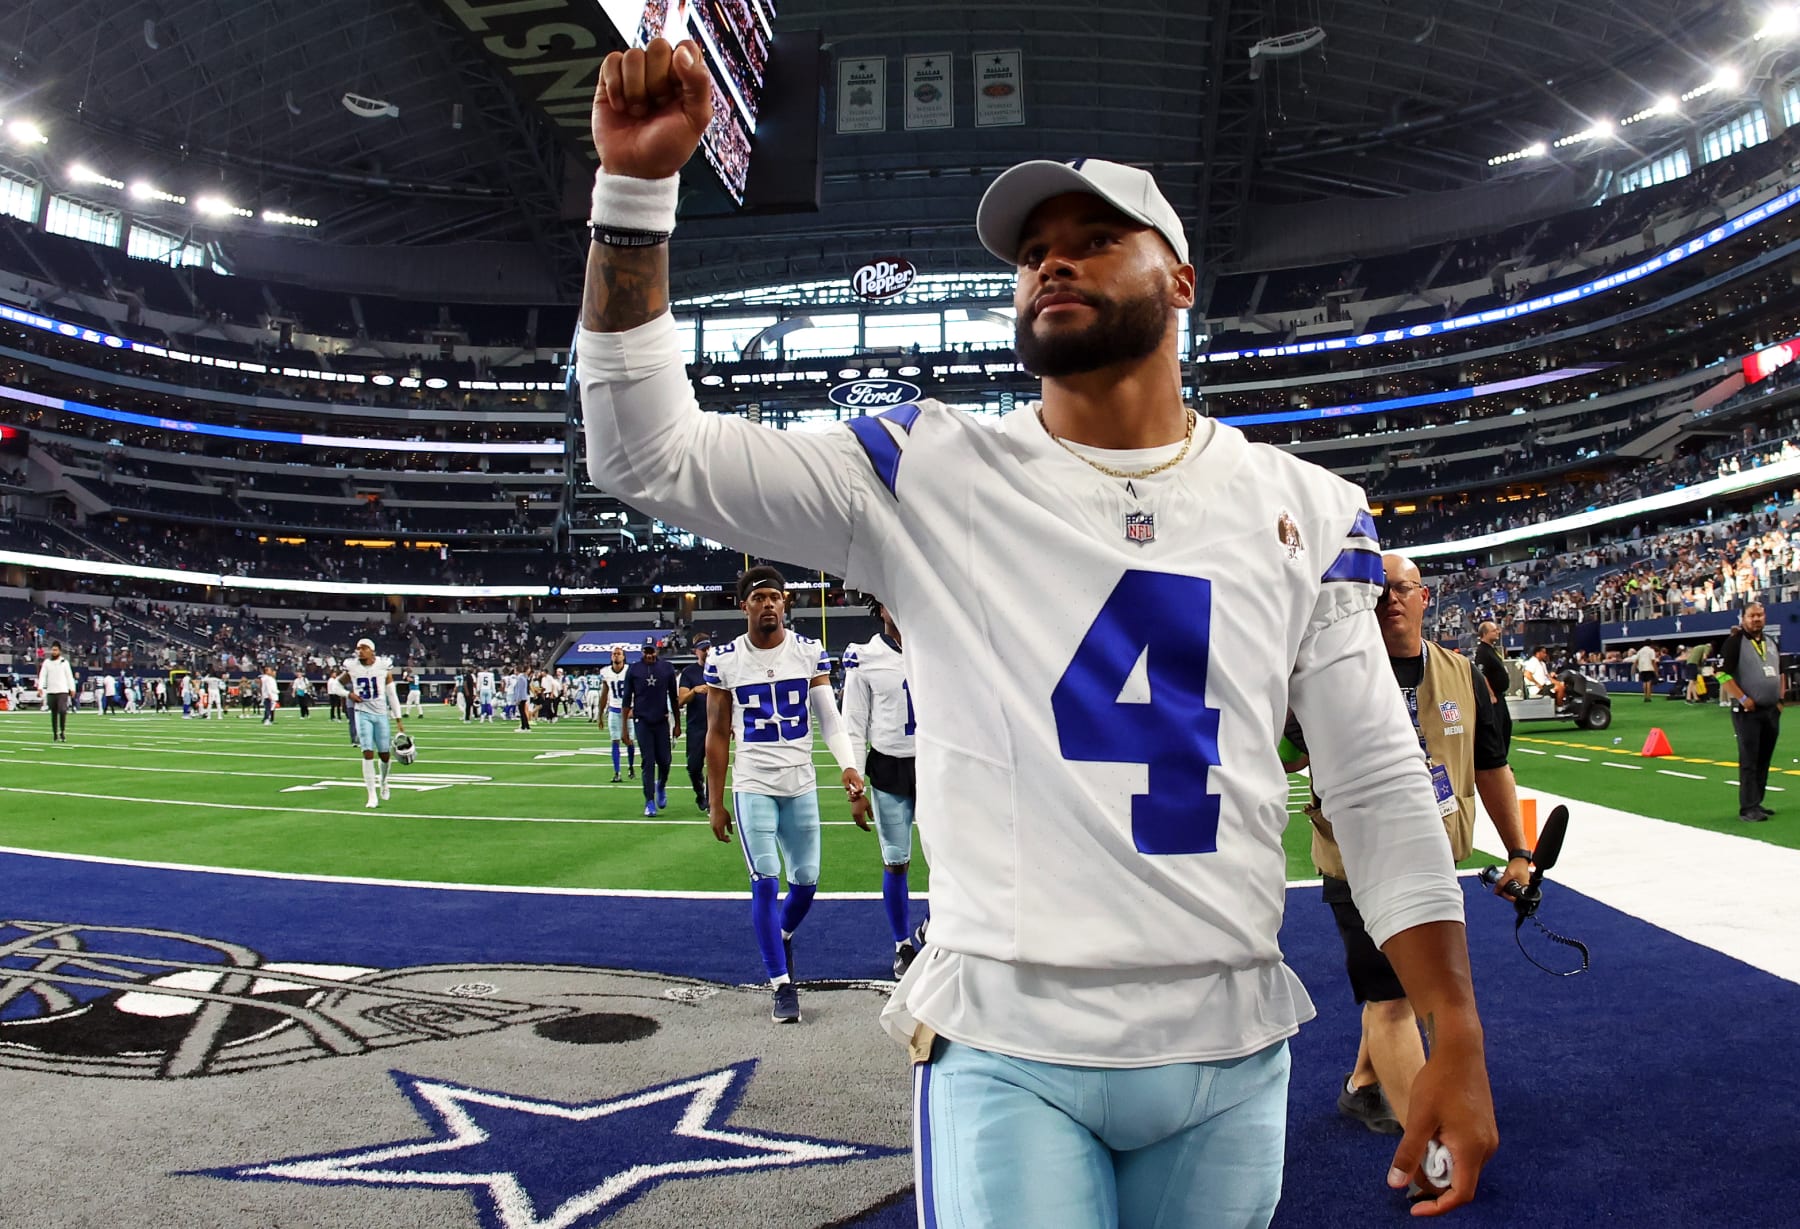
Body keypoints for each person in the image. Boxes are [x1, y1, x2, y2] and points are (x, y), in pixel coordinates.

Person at [580, 44, 1495, 1223]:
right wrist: (635, 198)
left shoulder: (1306, 506)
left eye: (1094, 236)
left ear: (1180, 280)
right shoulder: (928, 467)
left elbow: (1373, 782)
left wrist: (1454, 1023)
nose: (1050, 259)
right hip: (1011, 1038)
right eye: (1029, 251)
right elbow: (645, 453)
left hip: (1231, 1034)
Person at [1289, 555, 1532, 1145]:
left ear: (1425, 597)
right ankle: (1427, 1141)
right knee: (1393, 999)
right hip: (1357, 856)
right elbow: (1285, 754)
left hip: (1434, 857)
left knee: (1405, 989)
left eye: (1402, 589)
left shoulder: (1463, 674)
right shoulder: (1329, 674)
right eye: (1379, 590)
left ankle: (1361, 1083)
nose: (1390, 599)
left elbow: (1493, 766)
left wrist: (1520, 852)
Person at [704, 568, 865, 1021]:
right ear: (745, 606)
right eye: (759, 598)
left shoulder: (807, 652)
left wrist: (849, 765)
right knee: (766, 880)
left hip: (800, 781)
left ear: (785, 602)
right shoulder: (725, 660)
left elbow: (829, 718)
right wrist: (715, 801)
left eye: (775, 596)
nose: (769, 604)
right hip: (754, 782)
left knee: (807, 881)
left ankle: (782, 935)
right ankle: (780, 984)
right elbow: (716, 734)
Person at [841, 596, 924, 978]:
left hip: (933, 763)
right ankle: (902, 944)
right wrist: (854, 783)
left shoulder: (934, 648)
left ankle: (937, 926)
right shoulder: (865, 656)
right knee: (896, 860)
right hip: (889, 766)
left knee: (950, 854)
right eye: (889, 600)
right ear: (879, 608)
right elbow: (854, 724)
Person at [1720, 602, 1784, 823]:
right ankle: (1748, 807)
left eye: (1760, 615)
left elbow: (1780, 672)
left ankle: (1757, 801)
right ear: (1743, 618)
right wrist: (1743, 698)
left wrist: (1781, 699)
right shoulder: (1734, 642)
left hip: (1770, 710)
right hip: (1747, 712)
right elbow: (1721, 675)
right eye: (1752, 616)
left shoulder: (1771, 642)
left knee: (1764, 758)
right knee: (1749, 759)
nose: (1756, 619)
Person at [339, 637, 406, 809]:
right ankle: (371, 795)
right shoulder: (352, 667)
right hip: (362, 713)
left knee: (384, 754)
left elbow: (392, 694)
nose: (359, 651)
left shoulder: (383, 667)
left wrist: (398, 719)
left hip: (381, 714)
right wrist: (348, 695)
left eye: (363, 648)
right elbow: (335, 684)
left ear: (371, 650)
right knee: (367, 752)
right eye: (357, 648)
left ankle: (383, 781)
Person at [623, 637, 680, 815]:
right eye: (646, 651)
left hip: (662, 720)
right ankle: (649, 801)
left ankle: (661, 785)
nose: (649, 654)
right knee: (648, 761)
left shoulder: (666, 668)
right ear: (642, 651)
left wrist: (677, 723)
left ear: (657, 650)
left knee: (665, 760)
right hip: (642, 720)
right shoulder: (634, 669)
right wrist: (625, 729)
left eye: (651, 651)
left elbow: (674, 697)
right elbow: (626, 700)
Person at [676, 634, 714, 811]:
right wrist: (694, 691)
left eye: (709, 648)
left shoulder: (718, 669)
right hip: (696, 726)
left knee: (713, 765)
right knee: (693, 766)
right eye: (703, 649)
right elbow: (681, 700)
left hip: (714, 725)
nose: (707, 652)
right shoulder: (689, 672)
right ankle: (700, 793)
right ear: (696, 652)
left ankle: (710, 800)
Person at [1471, 621, 1511, 754]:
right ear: (1485, 634)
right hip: (1494, 697)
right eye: (1494, 630)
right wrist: (1490, 694)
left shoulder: (1491, 649)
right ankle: (1498, 758)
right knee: (1498, 728)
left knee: (1506, 726)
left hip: (1500, 695)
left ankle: (1503, 757)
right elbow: (1482, 675)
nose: (1497, 632)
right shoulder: (1482, 651)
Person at [599, 646, 636, 781]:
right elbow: (604, 694)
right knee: (615, 740)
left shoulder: (630, 670)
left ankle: (631, 766)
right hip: (614, 709)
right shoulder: (605, 672)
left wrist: (635, 708)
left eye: (618, 654)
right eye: (614, 654)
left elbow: (637, 691)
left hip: (628, 709)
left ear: (623, 657)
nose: (616, 656)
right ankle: (617, 772)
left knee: (629, 741)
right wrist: (600, 715)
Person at [38, 641, 74, 743]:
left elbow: (69, 676)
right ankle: (55, 733)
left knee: (62, 710)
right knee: (53, 713)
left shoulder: (64, 662)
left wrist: (72, 688)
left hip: (62, 690)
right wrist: (40, 687)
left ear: (59, 651)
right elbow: (42, 675)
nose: (54, 652)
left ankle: (62, 731)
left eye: (56, 650)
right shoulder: (47, 662)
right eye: (53, 650)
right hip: (51, 691)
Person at [509, 665, 532, 732]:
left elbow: (519, 689)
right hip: (523, 696)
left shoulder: (520, 677)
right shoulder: (523, 677)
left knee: (522, 713)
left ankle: (525, 727)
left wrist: (518, 699)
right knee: (523, 712)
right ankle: (525, 727)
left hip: (521, 697)